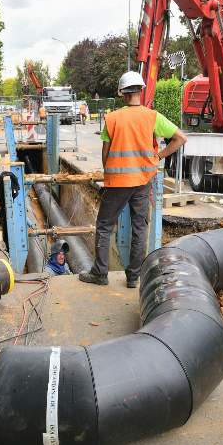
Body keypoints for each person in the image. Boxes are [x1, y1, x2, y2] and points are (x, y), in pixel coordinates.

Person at [79, 71, 187, 289]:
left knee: (104, 226)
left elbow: (105, 154)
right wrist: (158, 156)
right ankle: (133, 277)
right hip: (143, 180)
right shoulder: (152, 117)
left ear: (122, 93)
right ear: (141, 90)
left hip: (118, 182)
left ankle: (100, 272)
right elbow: (181, 138)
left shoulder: (113, 118)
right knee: (140, 226)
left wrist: (109, 172)